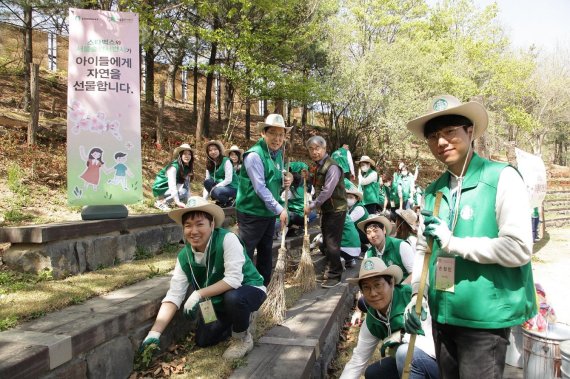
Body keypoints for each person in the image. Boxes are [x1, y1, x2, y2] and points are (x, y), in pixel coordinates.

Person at [404, 94, 537, 379]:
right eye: (434, 136)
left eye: (450, 131)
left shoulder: (502, 178)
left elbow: (518, 248)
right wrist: (417, 295)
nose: (441, 142)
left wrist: (453, 243)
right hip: (443, 316)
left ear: (470, 131)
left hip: (484, 321)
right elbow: (422, 250)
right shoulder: (433, 191)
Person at [139, 197, 266, 360]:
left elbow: (233, 280)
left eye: (200, 224)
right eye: (188, 226)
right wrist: (154, 333)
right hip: (217, 301)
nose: (194, 231)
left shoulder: (227, 239)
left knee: (234, 297)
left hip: (249, 289)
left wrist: (198, 294)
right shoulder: (184, 257)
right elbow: (174, 295)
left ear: (212, 225)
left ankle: (242, 339)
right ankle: (242, 320)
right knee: (204, 340)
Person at [340, 257, 438, 379]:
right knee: (374, 373)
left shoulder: (413, 298)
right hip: (406, 360)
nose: (373, 293)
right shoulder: (372, 320)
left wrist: (403, 337)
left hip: (437, 363)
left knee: (404, 353)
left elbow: (435, 345)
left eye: (378, 285)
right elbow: (357, 361)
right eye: (366, 287)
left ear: (391, 283)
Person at [235, 114, 293, 286]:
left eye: (281, 134)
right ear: (263, 134)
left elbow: (276, 178)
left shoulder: (277, 155)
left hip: (268, 212)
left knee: (266, 252)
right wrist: (280, 209)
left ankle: (263, 288)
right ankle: (243, 288)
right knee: (245, 253)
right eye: (273, 133)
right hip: (251, 213)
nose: (277, 138)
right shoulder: (254, 156)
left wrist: (286, 178)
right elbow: (260, 188)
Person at [304, 135, 347, 288]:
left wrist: (312, 205)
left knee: (332, 243)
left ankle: (335, 276)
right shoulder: (319, 166)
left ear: (324, 148)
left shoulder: (332, 166)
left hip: (336, 210)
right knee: (328, 242)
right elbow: (317, 184)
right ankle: (331, 270)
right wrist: (307, 176)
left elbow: (327, 190)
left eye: (317, 148)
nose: (314, 152)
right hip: (328, 210)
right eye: (311, 149)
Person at [357, 215, 415, 283]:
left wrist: (398, 290)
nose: (372, 235)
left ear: (384, 230)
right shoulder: (368, 254)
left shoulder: (401, 246)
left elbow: (414, 274)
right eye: (368, 232)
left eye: (375, 230)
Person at [274, 161, 316, 239]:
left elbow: (281, 200)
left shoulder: (291, 189)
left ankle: (290, 227)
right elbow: (310, 200)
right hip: (302, 215)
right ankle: (296, 227)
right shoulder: (308, 187)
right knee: (313, 214)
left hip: (296, 215)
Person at [152, 143, 194, 211]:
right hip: (162, 188)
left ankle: (167, 201)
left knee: (185, 192)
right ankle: (160, 202)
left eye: (189, 154)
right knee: (183, 192)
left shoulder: (186, 168)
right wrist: (177, 202)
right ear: (180, 155)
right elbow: (172, 186)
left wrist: (189, 202)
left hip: (171, 189)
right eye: (185, 154)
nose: (187, 156)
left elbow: (187, 186)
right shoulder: (173, 167)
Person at [203, 140, 238, 208]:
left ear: (219, 150)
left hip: (232, 187)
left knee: (217, 191)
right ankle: (225, 201)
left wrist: (215, 188)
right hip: (220, 187)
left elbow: (228, 180)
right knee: (207, 182)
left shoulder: (226, 161)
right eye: (210, 150)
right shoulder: (209, 163)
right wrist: (204, 199)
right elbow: (207, 180)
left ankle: (231, 200)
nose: (213, 152)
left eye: (215, 149)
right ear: (208, 152)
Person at [345, 179, 369, 254]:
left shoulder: (359, 209)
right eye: (347, 197)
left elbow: (346, 222)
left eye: (351, 197)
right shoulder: (350, 208)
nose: (348, 199)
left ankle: (363, 248)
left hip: (363, 236)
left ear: (357, 199)